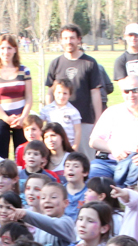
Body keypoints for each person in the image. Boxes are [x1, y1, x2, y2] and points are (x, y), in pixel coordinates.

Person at [89, 76, 138, 188]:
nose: (131, 95)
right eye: (126, 91)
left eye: (135, 90)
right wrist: (113, 149)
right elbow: (93, 141)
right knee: (94, 176)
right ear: (122, 93)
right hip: (109, 162)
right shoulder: (112, 112)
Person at [45, 25, 104, 159]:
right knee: (59, 158)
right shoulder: (56, 63)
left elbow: (95, 93)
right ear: (61, 40)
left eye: (72, 38)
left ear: (79, 40)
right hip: (60, 122)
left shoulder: (89, 63)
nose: (69, 41)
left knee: (85, 159)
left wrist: (98, 121)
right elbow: (50, 92)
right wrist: (49, 116)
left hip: (84, 120)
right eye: (65, 38)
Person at [0, 35, 33, 159]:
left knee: (24, 156)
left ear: (15, 50)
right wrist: (6, 118)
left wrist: (23, 118)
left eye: (9, 48)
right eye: (2, 48)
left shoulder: (24, 70)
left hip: (21, 120)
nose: (5, 52)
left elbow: (29, 97)